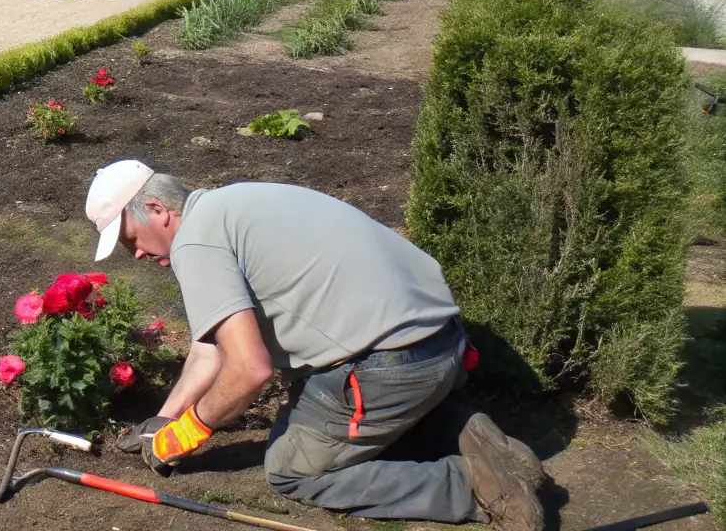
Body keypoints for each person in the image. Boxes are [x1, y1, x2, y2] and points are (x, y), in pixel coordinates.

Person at [84, 161, 546, 530]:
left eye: (130, 241)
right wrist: (166, 419)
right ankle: (457, 430)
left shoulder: (195, 245)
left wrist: (186, 434)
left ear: (157, 209)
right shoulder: (237, 202)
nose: (138, 255)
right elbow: (212, 349)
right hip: (443, 344)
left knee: (291, 469)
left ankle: (476, 487)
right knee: (317, 411)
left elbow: (249, 369)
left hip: (386, 368)